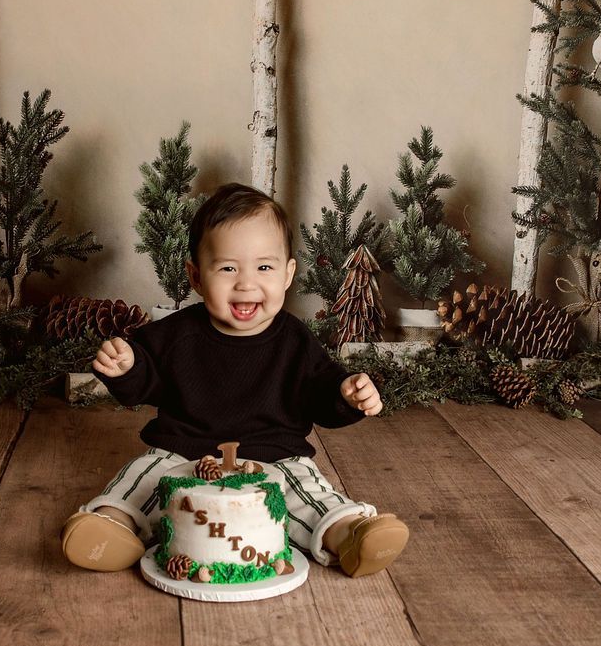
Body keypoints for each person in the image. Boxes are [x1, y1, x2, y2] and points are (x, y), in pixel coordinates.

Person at [60, 183, 409, 578]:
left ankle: (349, 533)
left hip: (275, 454)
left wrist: (347, 395)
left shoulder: (295, 340)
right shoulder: (176, 334)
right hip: (182, 451)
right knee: (142, 479)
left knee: (307, 492)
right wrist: (128, 367)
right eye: (228, 268)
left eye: (264, 267)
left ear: (288, 273)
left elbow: (320, 391)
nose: (245, 283)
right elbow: (146, 380)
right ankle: (111, 527)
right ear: (196, 276)